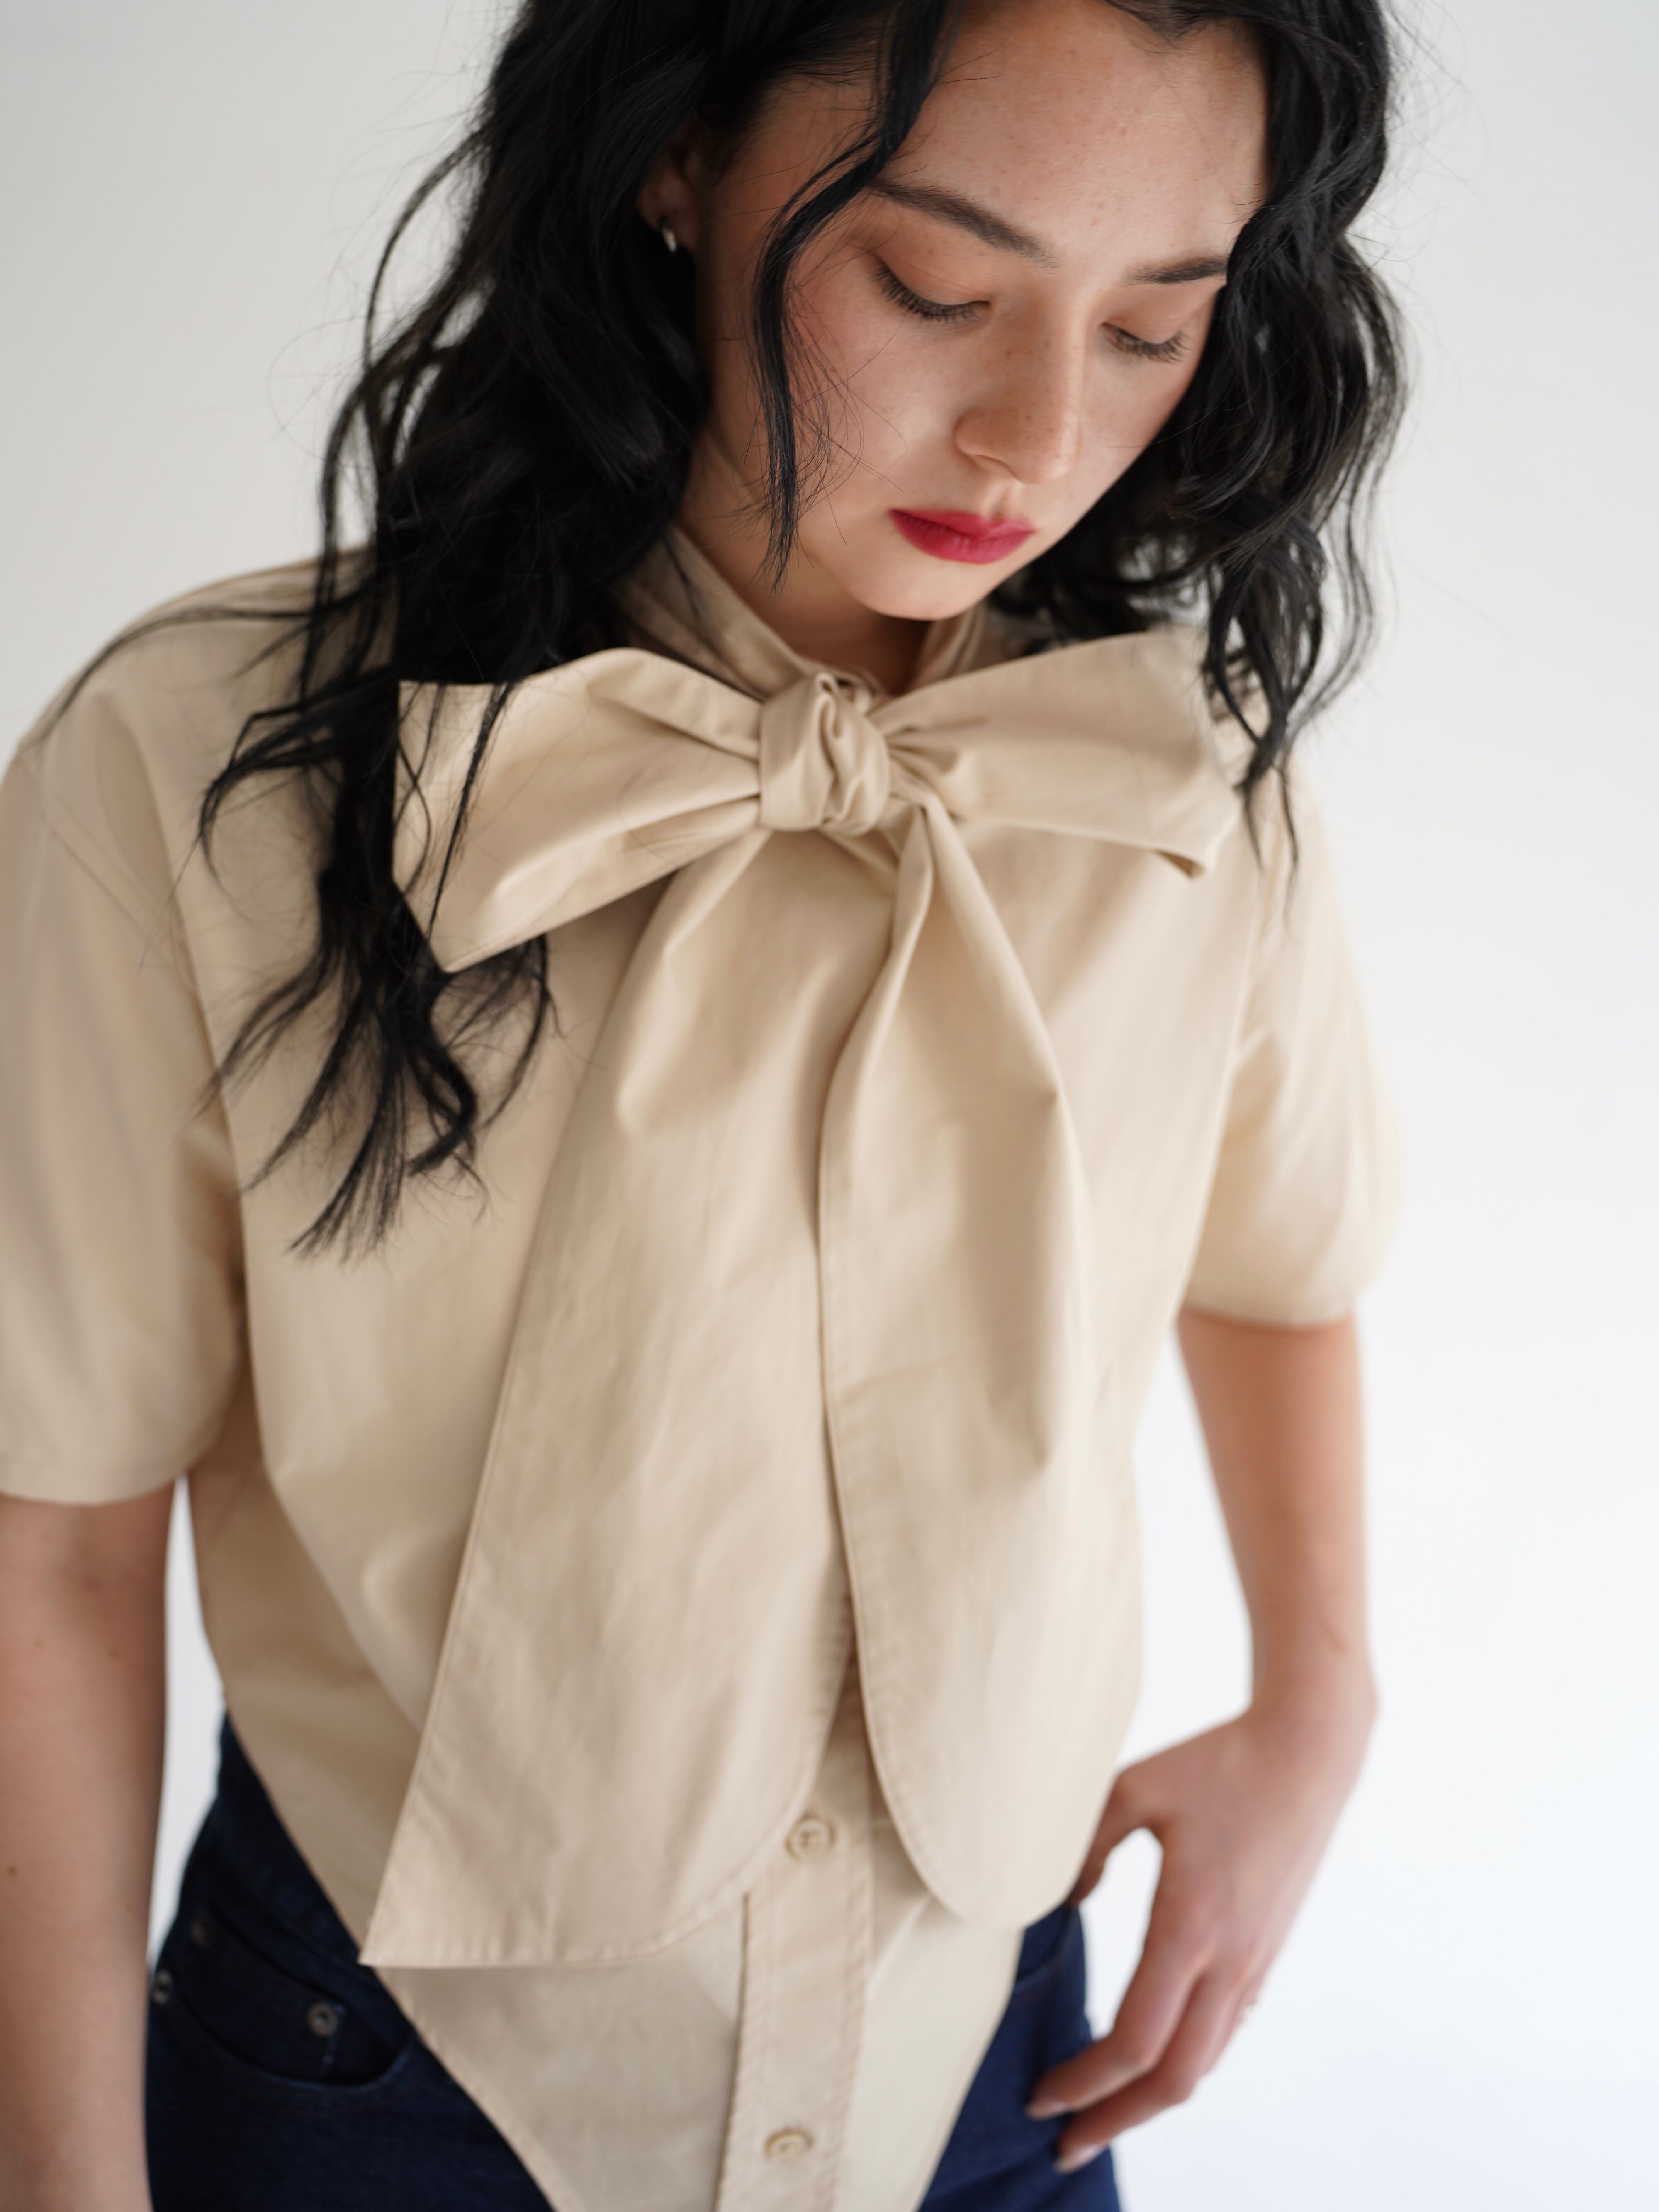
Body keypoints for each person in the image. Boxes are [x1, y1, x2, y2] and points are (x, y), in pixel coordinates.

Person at [0, 0, 1405, 2206]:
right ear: (678, 156)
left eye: (1153, 325)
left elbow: (1283, 1254)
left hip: (992, 2071)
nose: (1039, 435)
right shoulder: (192, 776)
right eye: (933, 286)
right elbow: (58, 1526)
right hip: (387, 2079)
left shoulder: (1171, 778)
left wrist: (1316, 1710)